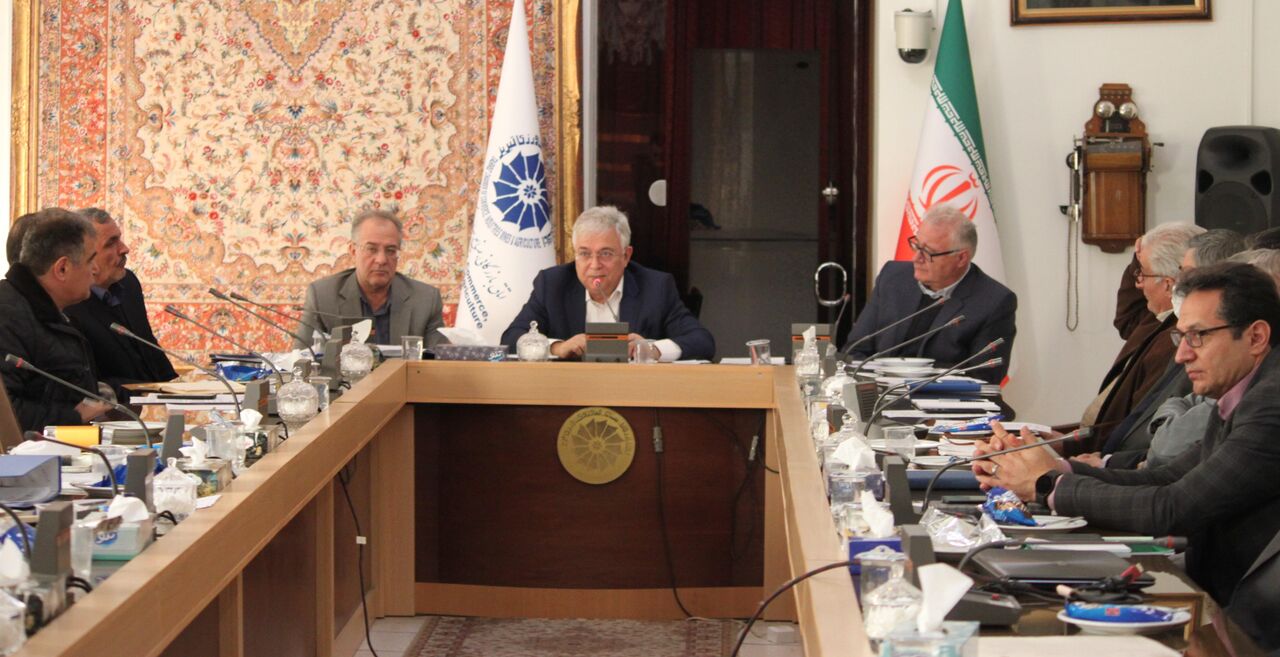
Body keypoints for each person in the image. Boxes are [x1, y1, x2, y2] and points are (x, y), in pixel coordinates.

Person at [973, 262, 1280, 605]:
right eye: (1180, 337)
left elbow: (1174, 508)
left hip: (1242, 612)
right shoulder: (1245, 391)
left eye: (1198, 336)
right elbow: (1165, 477)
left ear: (1256, 337)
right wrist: (1056, 468)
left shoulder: (1270, 403)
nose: (1182, 355)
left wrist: (1046, 484)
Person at [500, 206, 714, 361]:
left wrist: (652, 350)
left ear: (626, 256)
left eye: (606, 253)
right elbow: (510, 339)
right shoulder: (553, 284)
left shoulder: (655, 287)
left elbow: (702, 341)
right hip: (569, 392)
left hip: (634, 394)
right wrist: (557, 347)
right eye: (584, 253)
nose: (594, 265)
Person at [843, 204, 1014, 384]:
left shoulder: (994, 302)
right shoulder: (893, 278)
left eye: (929, 252)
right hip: (879, 393)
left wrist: (915, 380)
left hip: (944, 399)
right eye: (916, 246)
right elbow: (855, 351)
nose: (916, 258)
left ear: (961, 258)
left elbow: (984, 375)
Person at [1074, 223, 1202, 456]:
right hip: (1089, 443)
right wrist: (1138, 255)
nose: (1138, 282)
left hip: (1107, 455)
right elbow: (1127, 318)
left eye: (1142, 272)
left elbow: (1136, 425)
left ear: (1168, 284)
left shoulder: (1174, 338)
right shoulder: (1155, 318)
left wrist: (1074, 451)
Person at [0, 208, 113, 430]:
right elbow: (6, 413)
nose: (95, 269)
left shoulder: (47, 308)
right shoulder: (7, 315)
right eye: (91, 260)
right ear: (62, 268)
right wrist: (73, 416)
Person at [64, 208, 177, 400]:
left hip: (152, 404)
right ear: (85, 256)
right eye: (111, 243)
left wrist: (181, 390)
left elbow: (149, 349)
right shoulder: (69, 305)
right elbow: (90, 384)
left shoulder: (128, 283)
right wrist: (151, 392)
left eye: (119, 239)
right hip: (114, 411)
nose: (124, 249)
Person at [296, 210, 446, 348]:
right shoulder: (322, 296)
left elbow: (438, 363)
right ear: (353, 251)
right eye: (371, 249)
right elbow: (302, 358)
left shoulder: (425, 300)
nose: (381, 260)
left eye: (390, 250)